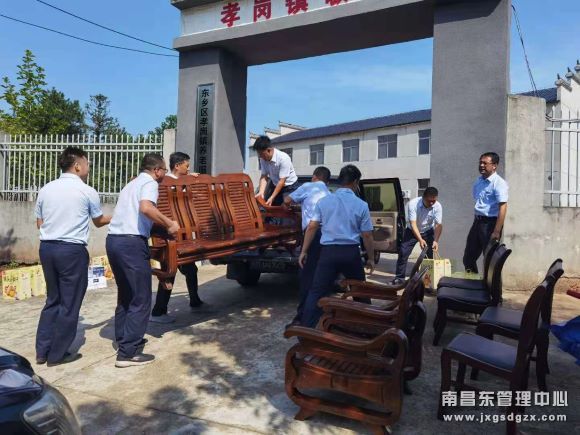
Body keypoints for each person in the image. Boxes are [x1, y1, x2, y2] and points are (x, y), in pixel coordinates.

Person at [35, 146, 111, 366]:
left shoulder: (46, 189)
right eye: (87, 163)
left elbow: (39, 222)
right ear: (77, 165)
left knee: (53, 299)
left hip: (47, 248)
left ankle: (42, 351)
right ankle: (57, 355)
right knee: (70, 303)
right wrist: (120, 214)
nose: (88, 167)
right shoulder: (86, 191)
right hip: (71, 251)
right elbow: (98, 221)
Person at [107, 154, 179, 368]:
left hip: (114, 241)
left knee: (126, 295)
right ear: (156, 170)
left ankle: (124, 339)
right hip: (131, 244)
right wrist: (169, 224)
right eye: (164, 170)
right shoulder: (149, 183)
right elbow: (146, 208)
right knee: (141, 297)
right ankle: (128, 353)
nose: (165, 174)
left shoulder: (131, 184)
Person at [299, 164, 375, 328]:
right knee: (360, 291)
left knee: (317, 291)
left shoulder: (324, 201)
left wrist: (304, 251)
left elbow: (312, 227)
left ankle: (306, 329)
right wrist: (371, 258)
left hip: (328, 253)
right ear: (355, 182)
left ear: (340, 181)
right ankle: (367, 326)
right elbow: (367, 235)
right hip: (351, 254)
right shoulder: (361, 205)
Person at [150, 152, 203, 324]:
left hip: (183, 234)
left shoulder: (183, 181)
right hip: (169, 236)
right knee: (170, 271)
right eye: (186, 165)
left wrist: (191, 178)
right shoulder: (163, 182)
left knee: (190, 269)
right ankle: (158, 312)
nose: (189, 168)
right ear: (177, 165)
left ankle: (195, 300)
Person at [283, 166, 331, 327]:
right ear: (327, 181)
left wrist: (288, 206)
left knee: (306, 276)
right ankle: (320, 315)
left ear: (314, 177)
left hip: (313, 236)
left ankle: (302, 318)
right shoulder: (329, 194)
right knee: (321, 277)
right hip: (328, 237)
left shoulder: (308, 186)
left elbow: (287, 200)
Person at [463, 152, 509, 273]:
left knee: (489, 261)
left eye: (485, 163)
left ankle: (492, 286)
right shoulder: (478, 181)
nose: (481, 165)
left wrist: (497, 231)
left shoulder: (499, 183)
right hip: (477, 222)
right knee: (468, 258)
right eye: (480, 162)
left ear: (494, 166)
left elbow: (503, 207)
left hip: (490, 224)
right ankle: (472, 283)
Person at [392, 187, 443, 284]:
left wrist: (436, 241)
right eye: (429, 201)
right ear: (423, 197)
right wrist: (420, 239)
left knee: (429, 256)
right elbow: (413, 224)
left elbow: (438, 225)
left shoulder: (438, 206)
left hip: (428, 231)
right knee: (403, 252)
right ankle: (399, 278)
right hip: (412, 231)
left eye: (434, 201)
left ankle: (427, 280)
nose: (432, 203)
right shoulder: (413, 204)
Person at [253, 135, 298, 206]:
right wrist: (261, 192)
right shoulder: (263, 159)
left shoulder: (283, 158)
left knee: (285, 208)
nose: (260, 156)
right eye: (259, 154)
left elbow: (282, 181)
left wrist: (272, 197)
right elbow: (264, 176)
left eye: (261, 154)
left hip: (289, 187)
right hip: (275, 185)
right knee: (270, 207)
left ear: (268, 150)